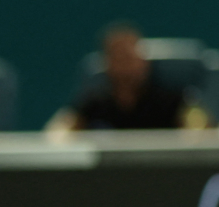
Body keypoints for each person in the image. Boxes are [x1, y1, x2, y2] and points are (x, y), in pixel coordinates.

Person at [47, 24, 203, 131]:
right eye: (119, 59)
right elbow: (60, 130)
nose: (127, 68)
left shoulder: (171, 100)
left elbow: (200, 129)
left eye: (131, 58)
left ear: (144, 61)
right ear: (107, 64)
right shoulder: (93, 103)